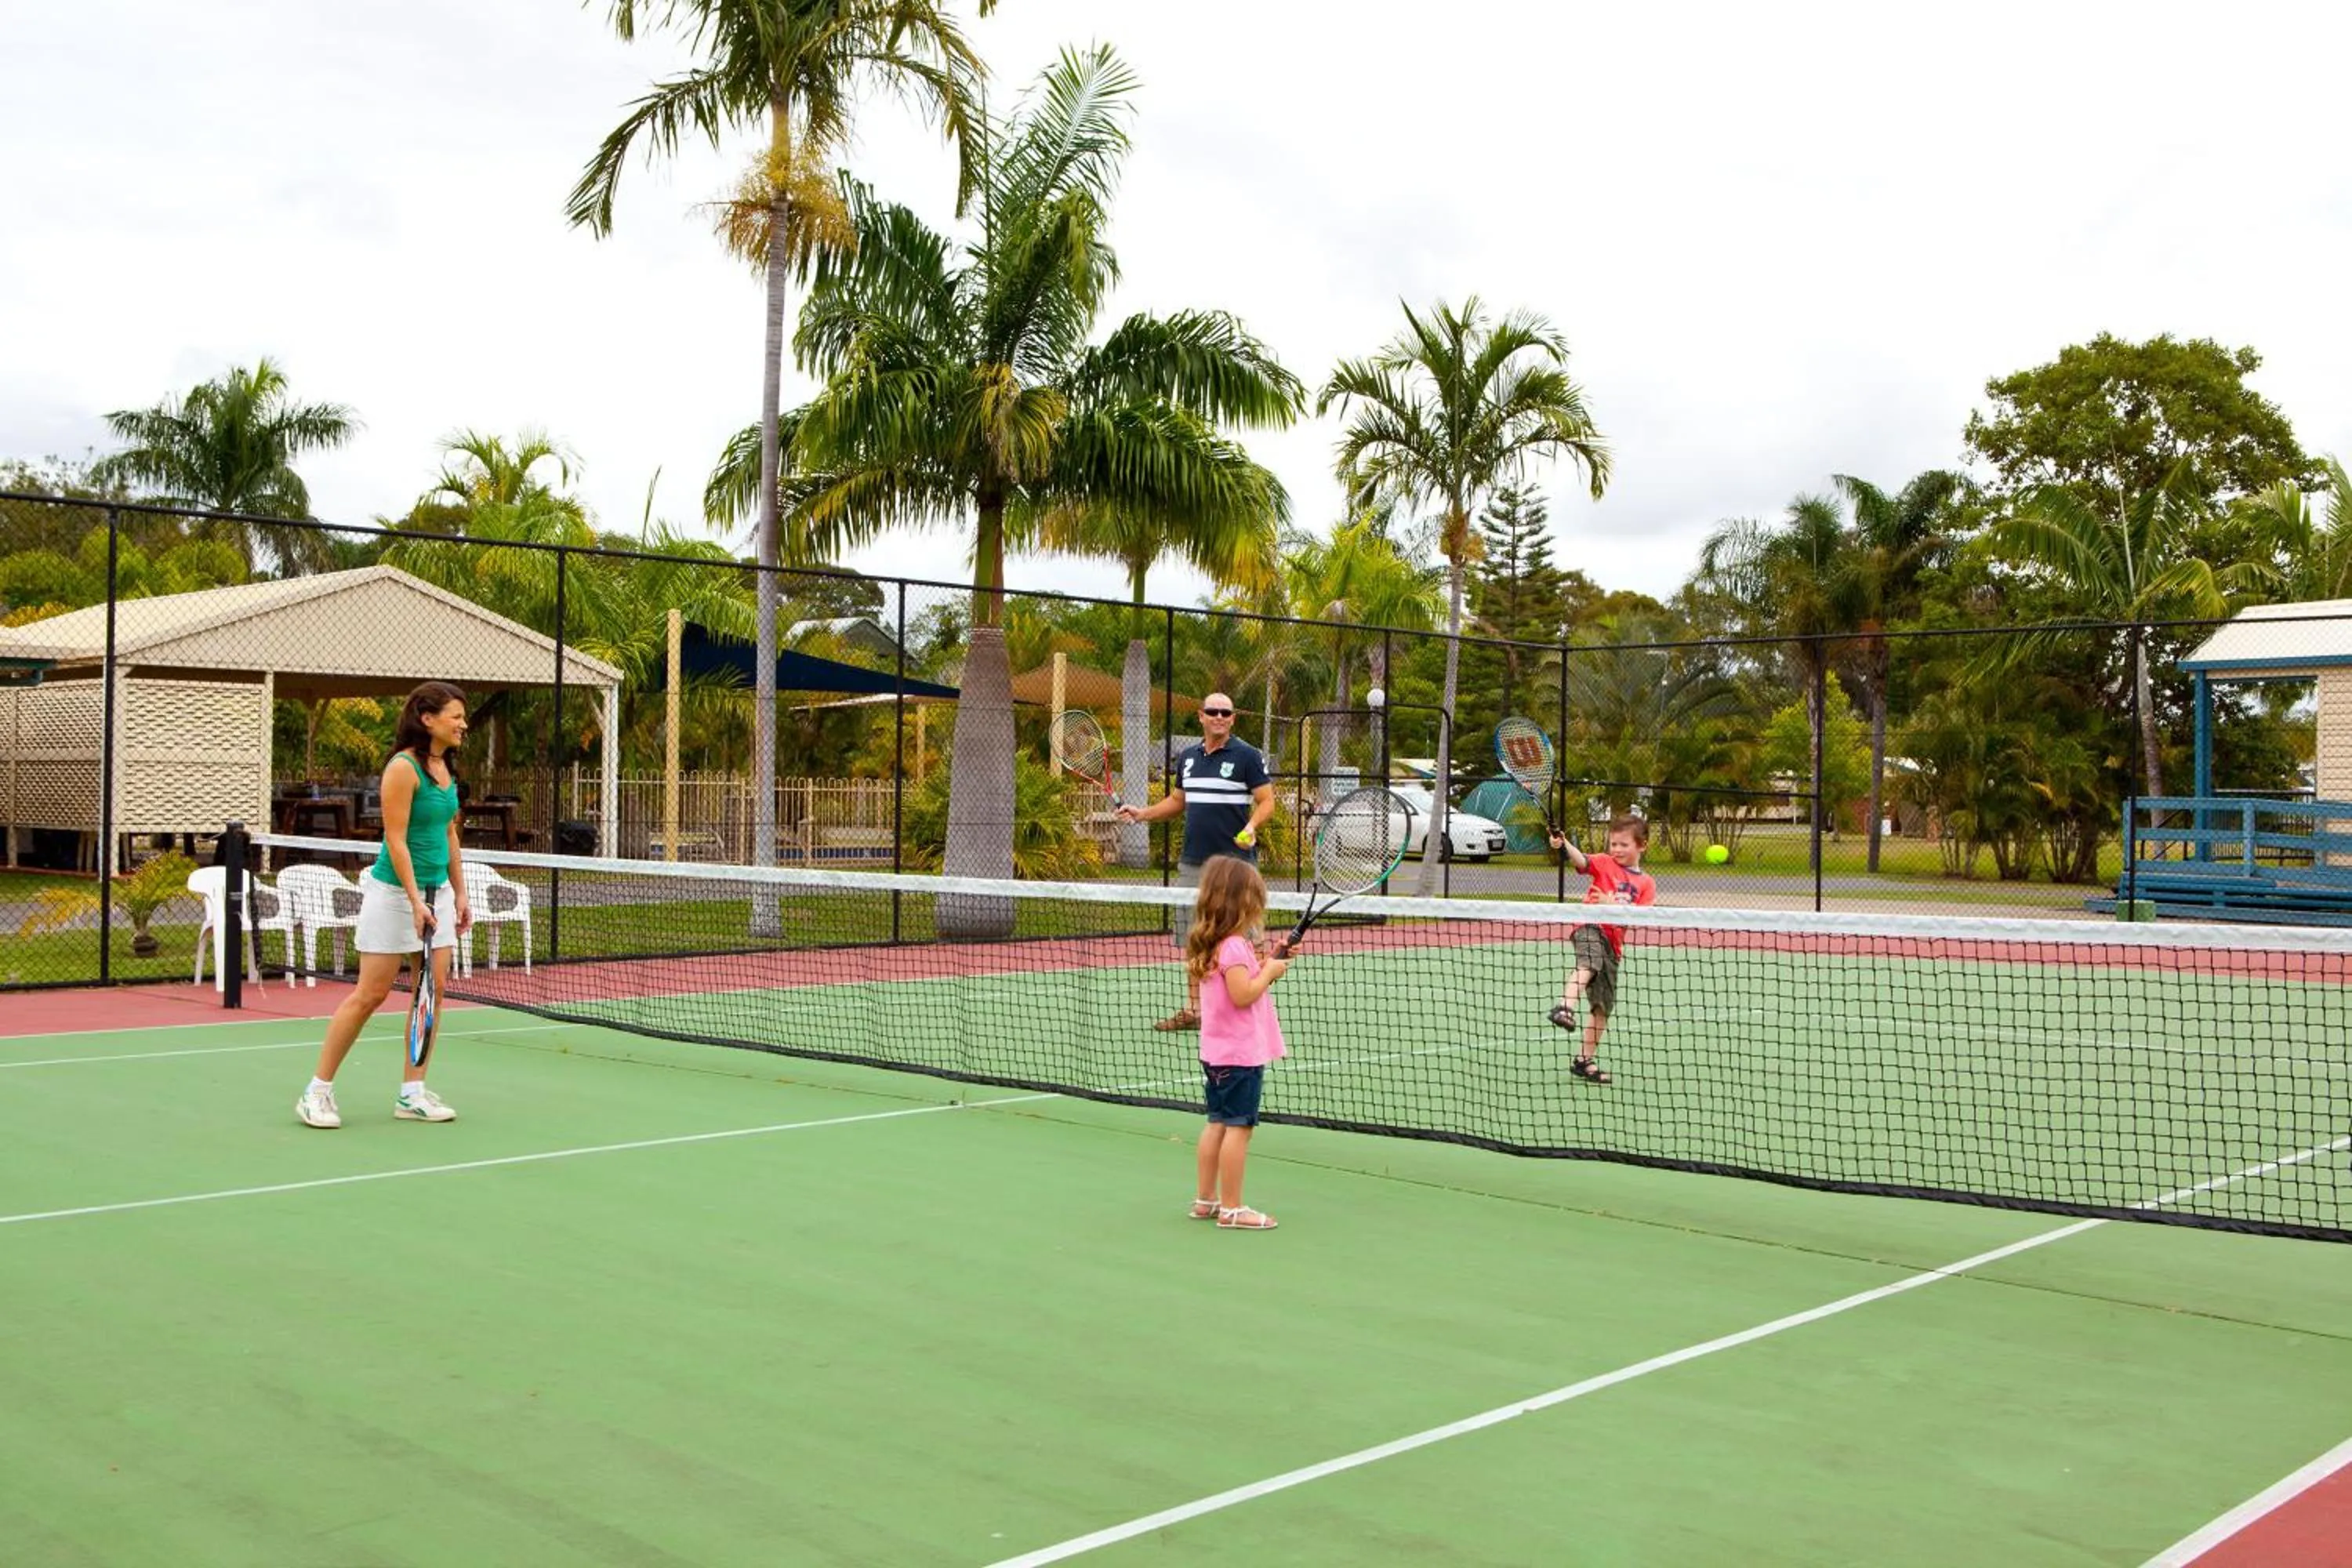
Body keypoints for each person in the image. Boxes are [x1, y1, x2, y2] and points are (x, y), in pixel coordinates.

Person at [296, 683, 474, 1128]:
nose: (463, 724)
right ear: (427, 718)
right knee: (370, 994)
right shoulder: (402, 768)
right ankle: (316, 1092)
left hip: (440, 895)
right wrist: (415, 901)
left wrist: (461, 892)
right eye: (455, 716)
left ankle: (412, 1093)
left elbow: (449, 834)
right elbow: (394, 839)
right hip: (394, 896)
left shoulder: (444, 767)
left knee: (428, 997)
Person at [1115, 691, 1276, 1031]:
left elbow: (1266, 802)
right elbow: (1178, 801)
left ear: (1233, 719)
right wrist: (1142, 813)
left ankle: (1254, 1003)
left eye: (1226, 713)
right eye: (1213, 711)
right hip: (1193, 863)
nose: (1219, 717)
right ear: (1201, 716)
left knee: (1249, 937)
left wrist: (1251, 826)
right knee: (1194, 936)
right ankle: (1195, 1009)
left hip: (1236, 864)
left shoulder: (1248, 756)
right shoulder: (1188, 758)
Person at [1185, 855, 1294, 1230]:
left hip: (1217, 1054)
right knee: (1238, 1128)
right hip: (1239, 1056)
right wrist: (1270, 973)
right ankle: (1232, 1209)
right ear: (1242, 902)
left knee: (1216, 1123)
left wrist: (1270, 963)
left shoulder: (1217, 944)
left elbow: (1241, 983)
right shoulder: (1232, 947)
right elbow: (1243, 994)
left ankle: (1206, 1200)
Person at [1544, 815, 1657, 1085]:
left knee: (1602, 1008)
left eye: (1623, 844)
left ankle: (1584, 1061)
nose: (1616, 849)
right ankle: (1564, 1007)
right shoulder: (1605, 864)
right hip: (1589, 926)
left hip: (1614, 945)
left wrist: (1612, 904)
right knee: (1590, 962)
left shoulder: (1647, 884)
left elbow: (1642, 918)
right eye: (1613, 843)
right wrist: (1564, 845)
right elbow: (1582, 861)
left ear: (1642, 846)